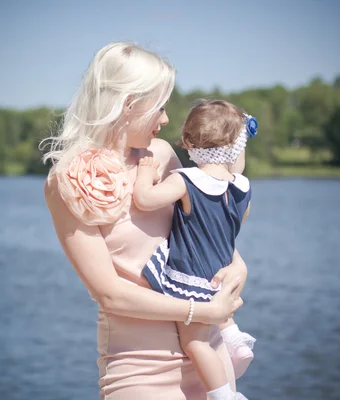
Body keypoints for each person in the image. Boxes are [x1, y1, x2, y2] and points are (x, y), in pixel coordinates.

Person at [42, 42, 248, 400]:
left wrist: (238, 268)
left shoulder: (163, 154)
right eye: (160, 106)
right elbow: (109, 294)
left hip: (206, 355)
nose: (166, 119)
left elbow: (203, 232)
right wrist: (201, 309)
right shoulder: (65, 182)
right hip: (139, 370)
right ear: (128, 104)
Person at [133, 100, 257, 400]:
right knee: (218, 313)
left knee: (196, 345)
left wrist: (144, 173)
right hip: (221, 273)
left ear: (188, 143)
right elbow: (240, 218)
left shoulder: (187, 180)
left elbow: (145, 200)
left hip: (192, 278)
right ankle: (233, 337)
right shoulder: (242, 186)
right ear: (233, 147)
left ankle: (223, 395)